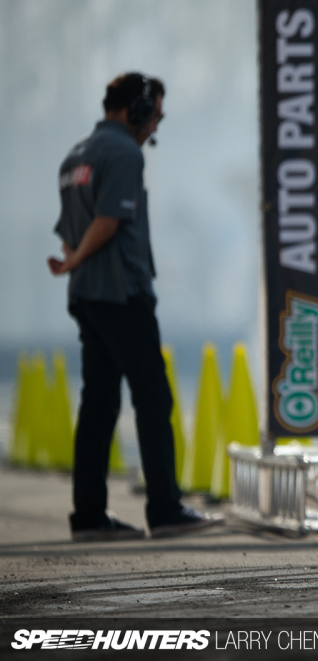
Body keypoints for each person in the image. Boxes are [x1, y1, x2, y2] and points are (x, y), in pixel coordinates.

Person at [47, 72, 224, 541]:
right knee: (153, 397)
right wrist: (79, 258)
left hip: (87, 296)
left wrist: (73, 261)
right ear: (138, 110)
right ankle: (164, 509)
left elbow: (69, 231)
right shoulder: (123, 152)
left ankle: (88, 517)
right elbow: (107, 221)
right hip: (122, 292)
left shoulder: (74, 157)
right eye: (156, 116)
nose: (155, 128)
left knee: (99, 403)